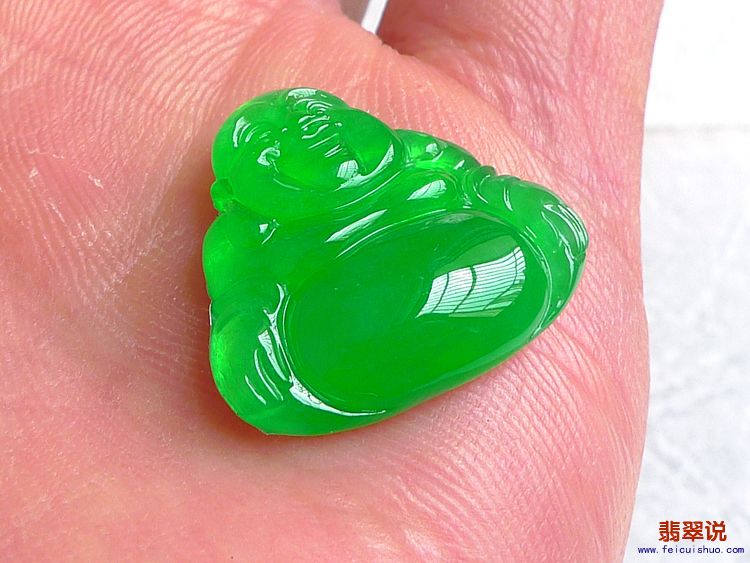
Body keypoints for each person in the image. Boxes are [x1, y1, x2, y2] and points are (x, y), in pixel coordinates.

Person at [0, 0, 662, 559]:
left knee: (512, 232)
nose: (309, 140)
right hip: (332, 327)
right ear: (236, 190)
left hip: (475, 252)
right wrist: (255, 345)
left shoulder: (416, 157)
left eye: (318, 120)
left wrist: (522, 208)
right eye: (273, 148)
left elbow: (479, 184)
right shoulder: (248, 235)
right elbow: (245, 304)